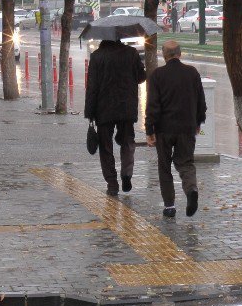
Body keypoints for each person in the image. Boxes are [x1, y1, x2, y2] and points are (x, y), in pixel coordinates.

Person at [145, 40, 206, 218]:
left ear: (164, 55)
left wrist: (150, 130)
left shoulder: (158, 75)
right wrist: (198, 122)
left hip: (164, 129)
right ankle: (191, 189)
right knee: (186, 163)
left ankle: (169, 206)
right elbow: (201, 101)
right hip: (187, 127)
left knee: (164, 166)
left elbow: (153, 106)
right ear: (180, 54)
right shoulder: (192, 73)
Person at [84, 39, 146, 196]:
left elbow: (92, 86)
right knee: (127, 141)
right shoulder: (131, 53)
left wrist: (90, 112)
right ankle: (126, 174)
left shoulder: (97, 56)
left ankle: (112, 183)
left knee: (106, 147)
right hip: (126, 107)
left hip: (103, 109)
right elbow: (141, 77)